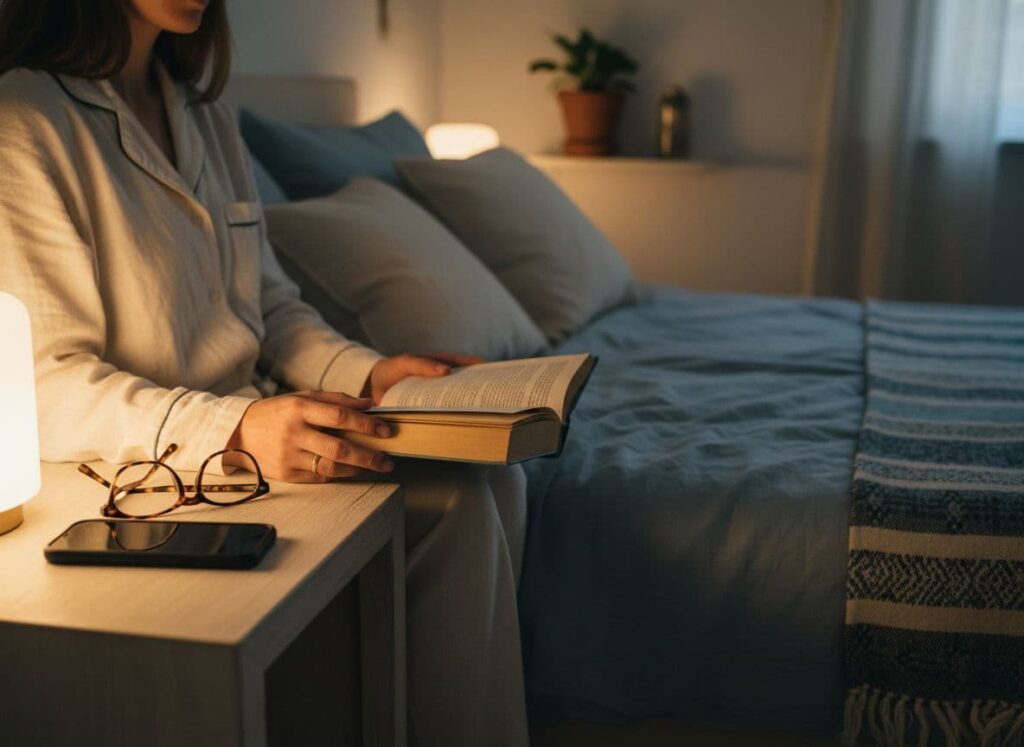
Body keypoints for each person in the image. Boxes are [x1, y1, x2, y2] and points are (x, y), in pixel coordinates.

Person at [0, 1, 528, 744]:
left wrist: (371, 376)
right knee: (461, 504)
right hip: (149, 471)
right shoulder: (28, 119)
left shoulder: (205, 113)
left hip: (260, 430)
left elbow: (271, 307)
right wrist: (237, 427)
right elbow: (47, 381)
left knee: (497, 473)